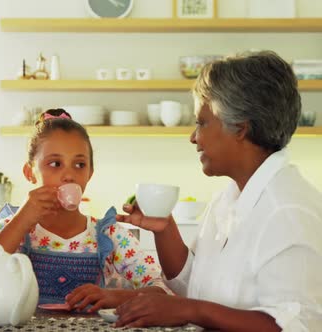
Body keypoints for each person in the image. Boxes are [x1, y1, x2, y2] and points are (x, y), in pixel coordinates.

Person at [115, 51, 322, 331]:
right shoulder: (228, 198)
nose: (193, 137)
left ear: (239, 128)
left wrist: (190, 309)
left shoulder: (287, 212)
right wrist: (164, 230)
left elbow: (294, 326)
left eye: (201, 122)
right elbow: (194, 286)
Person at [0, 109, 171, 312]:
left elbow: (161, 291)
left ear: (90, 173)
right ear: (29, 173)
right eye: (55, 164)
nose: (69, 175)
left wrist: (114, 296)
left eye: (79, 165)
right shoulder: (12, 228)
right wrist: (21, 220)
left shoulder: (110, 235)